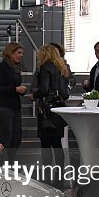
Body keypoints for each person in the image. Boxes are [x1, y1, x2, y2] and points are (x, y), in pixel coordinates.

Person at [33, 44, 70, 173]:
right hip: (59, 110)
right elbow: (65, 94)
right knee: (57, 144)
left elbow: (43, 88)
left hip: (47, 111)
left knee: (46, 144)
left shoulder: (45, 67)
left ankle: (47, 173)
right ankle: (60, 173)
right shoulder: (62, 68)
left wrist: (34, 95)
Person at [0, 43, 27, 159]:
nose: (21, 56)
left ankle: (10, 165)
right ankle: (2, 166)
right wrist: (15, 89)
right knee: (5, 139)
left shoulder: (16, 68)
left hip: (15, 107)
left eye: (22, 53)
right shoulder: (0, 67)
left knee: (16, 139)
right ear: (10, 53)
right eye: (18, 53)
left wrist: (21, 91)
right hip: (3, 107)